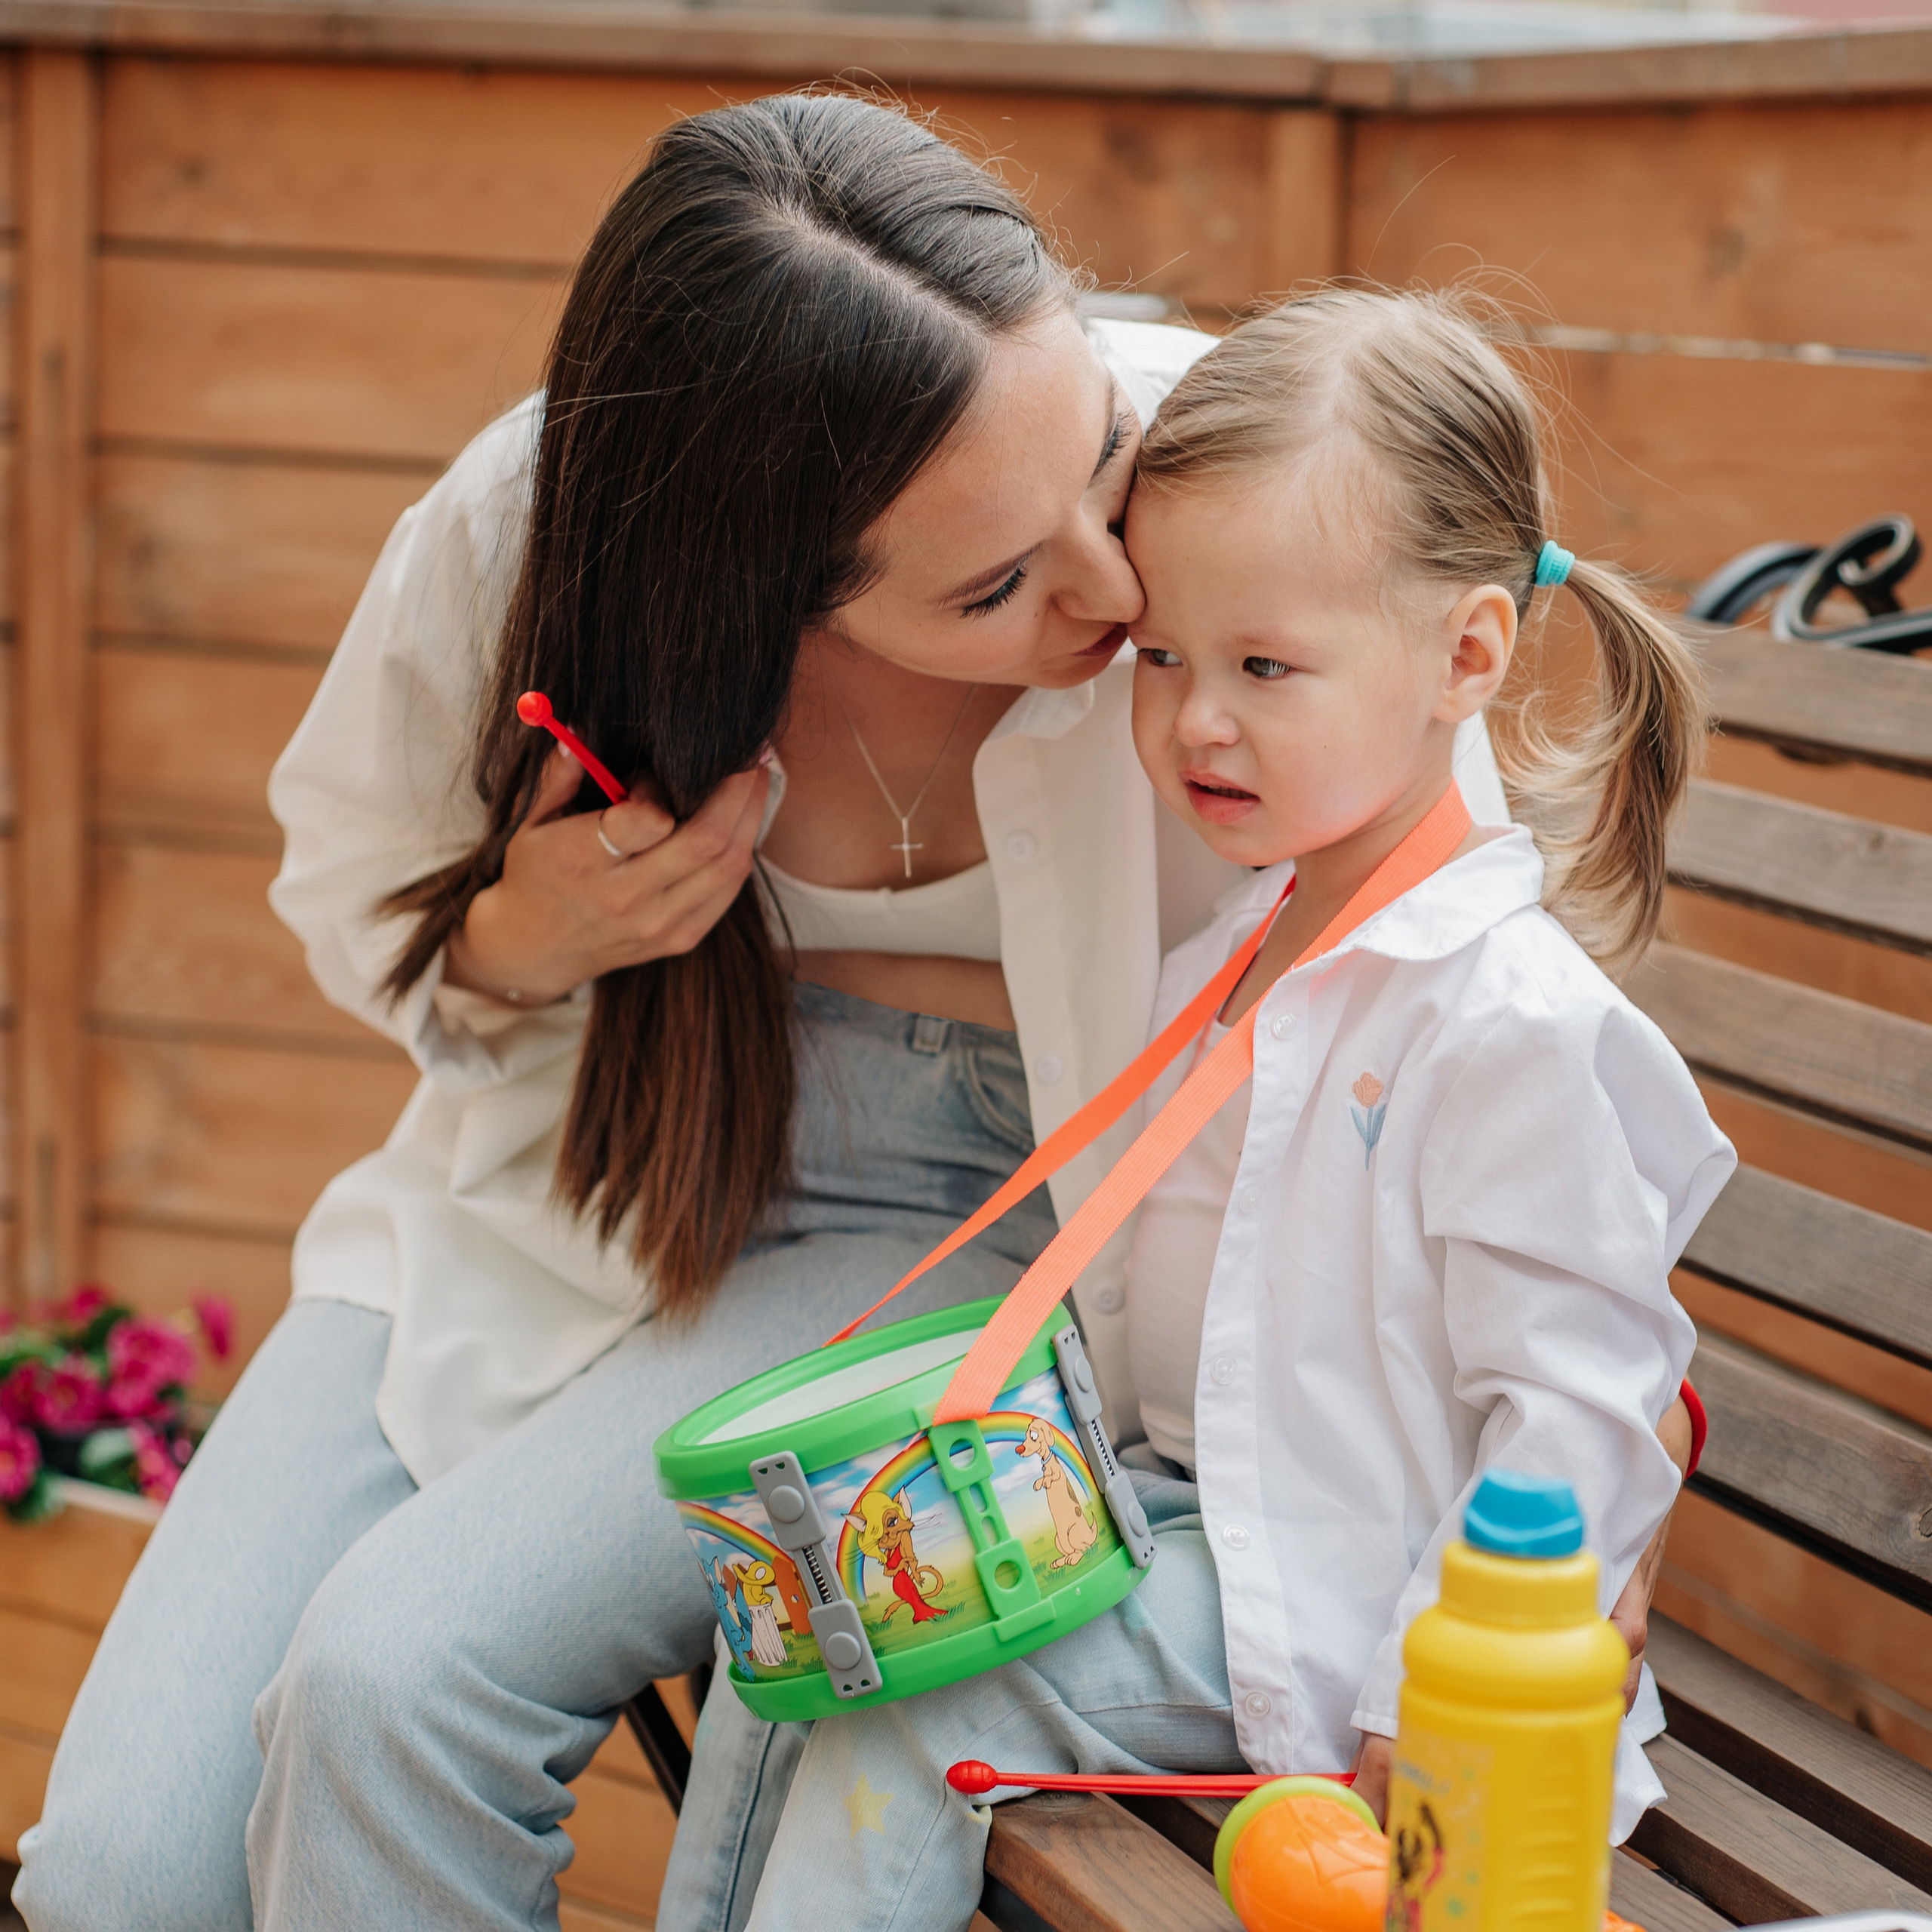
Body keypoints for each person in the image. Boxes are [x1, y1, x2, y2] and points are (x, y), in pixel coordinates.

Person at [11, 92, 1679, 1930]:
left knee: (398, 1680)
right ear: (770, 584)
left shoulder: (1233, 484)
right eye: (992, 581)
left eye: (1098, 471)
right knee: (117, 1871)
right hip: (577, 1162)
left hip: (974, 1216)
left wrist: (1535, 1587)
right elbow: (361, 911)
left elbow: (1433, 949)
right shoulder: (548, 527)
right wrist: (527, 929)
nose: (1118, 590)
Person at [663, 286, 1734, 1932]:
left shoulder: (1504, 1020)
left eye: (1262, 664)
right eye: (1162, 655)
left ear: (1464, 653)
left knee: (910, 1693)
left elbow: (1585, 1413)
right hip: (1192, 1523)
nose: (1191, 717)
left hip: (1354, 1613)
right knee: (821, 1631)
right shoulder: (1249, 945)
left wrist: (1423, 1710)